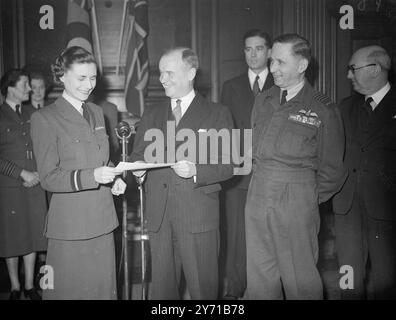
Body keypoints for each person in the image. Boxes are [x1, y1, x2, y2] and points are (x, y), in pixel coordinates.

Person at [245, 33, 345, 299]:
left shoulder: (323, 109)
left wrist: (305, 199)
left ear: (302, 66)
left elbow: (332, 172)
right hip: (258, 194)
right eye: (271, 62)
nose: (272, 68)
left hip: (296, 199)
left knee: (300, 280)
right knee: (259, 279)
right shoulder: (262, 100)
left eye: (280, 62)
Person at [130, 47, 234, 299]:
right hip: (160, 218)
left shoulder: (217, 113)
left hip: (197, 217)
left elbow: (229, 164)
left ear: (191, 73)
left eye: (169, 73)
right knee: (163, 293)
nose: (162, 79)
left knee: (204, 292)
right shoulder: (152, 113)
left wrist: (197, 170)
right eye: (160, 73)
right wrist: (139, 171)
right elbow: (137, 156)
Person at [30, 46, 126, 300]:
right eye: (81, 78)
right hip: (70, 227)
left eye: (93, 78)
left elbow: (100, 159)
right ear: (62, 76)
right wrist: (93, 176)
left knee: (102, 292)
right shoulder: (45, 118)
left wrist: (112, 181)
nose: (89, 85)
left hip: (103, 221)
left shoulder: (97, 112)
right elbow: (49, 177)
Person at [332, 46, 396, 299]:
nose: (349, 75)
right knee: (348, 277)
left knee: (386, 279)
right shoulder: (344, 107)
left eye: (353, 69)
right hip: (348, 206)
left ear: (375, 69)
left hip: (387, 209)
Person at [220, 28, 274, 299]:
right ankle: (234, 288)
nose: (253, 54)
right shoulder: (230, 86)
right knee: (236, 234)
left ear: (270, 52)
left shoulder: (280, 83)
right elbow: (225, 130)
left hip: (271, 174)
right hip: (239, 174)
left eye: (259, 48)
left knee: (269, 235)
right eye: (248, 49)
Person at [0, 69, 47, 300]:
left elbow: (41, 146)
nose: (30, 89)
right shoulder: (0, 115)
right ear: (10, 87)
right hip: (11, 187)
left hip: (35, 183)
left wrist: (37, 173)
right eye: (25, 84)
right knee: (12, 237)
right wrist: (22, 173)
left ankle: (29, 285)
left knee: (31, 235)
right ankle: (15, 286)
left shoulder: (32, 114)